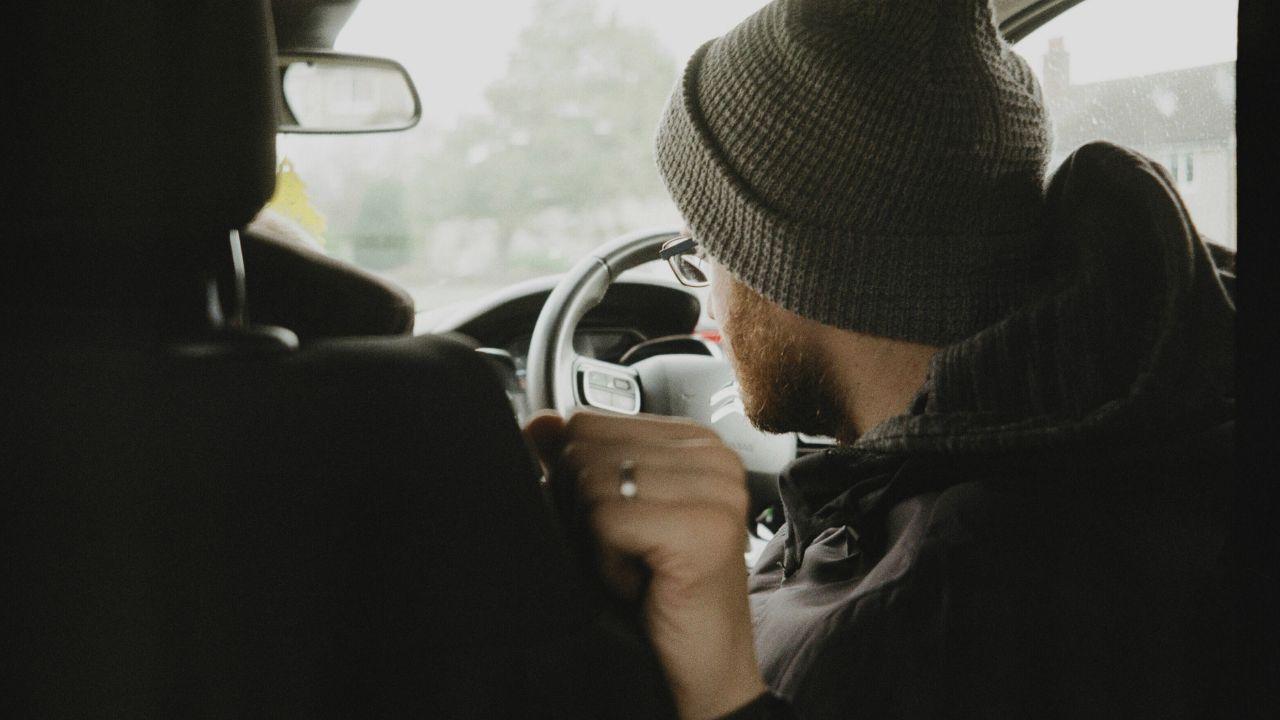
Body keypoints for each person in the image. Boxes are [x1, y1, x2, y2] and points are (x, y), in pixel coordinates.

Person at [524, 0, 1237, 718]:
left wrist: (718, 696)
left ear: (789, 269)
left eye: (703, 253)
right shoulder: (1109, 446)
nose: (705, 307)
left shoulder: (941, 613)